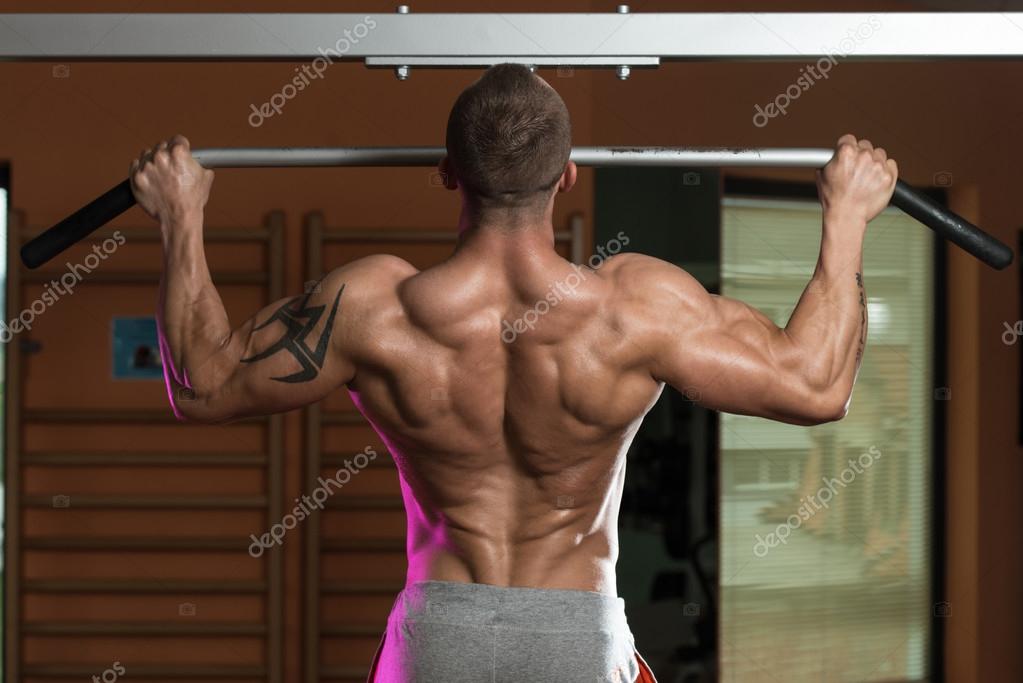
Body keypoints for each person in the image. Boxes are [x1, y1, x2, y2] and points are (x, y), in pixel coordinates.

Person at [129, 63, 897, 683]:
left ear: (445, 173)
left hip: (438, 636)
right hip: (574, 633)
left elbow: (203, 386)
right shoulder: (632, 310)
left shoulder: (373, 308)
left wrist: (181, 215)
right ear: (567, 176)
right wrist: (846, 219)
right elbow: (816, 385)